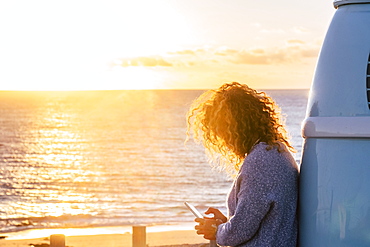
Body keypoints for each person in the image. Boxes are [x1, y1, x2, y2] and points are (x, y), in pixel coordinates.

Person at [186, 82, 298, 247]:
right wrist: (225, 223)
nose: (223, 141)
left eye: (221, 132)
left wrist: (217, 230)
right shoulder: (276, 150)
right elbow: (258, 222)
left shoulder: (260, 162)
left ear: (236, 128)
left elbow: (238, 233)